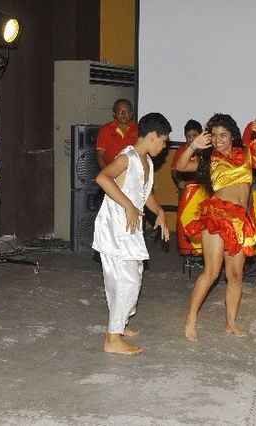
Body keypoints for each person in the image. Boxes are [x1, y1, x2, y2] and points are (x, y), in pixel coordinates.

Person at [175, 113, 256, 341]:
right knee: (212, 271)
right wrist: (193, 146)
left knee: (235, 275)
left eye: (223, 135)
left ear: (232, 136)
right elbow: (181, 166)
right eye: (214, 135)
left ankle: (231, 323)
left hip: (240, 221)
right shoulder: (209, 160)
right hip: (217, 216)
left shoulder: (247, 154)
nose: (218, 139)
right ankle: (190, 319)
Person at [92, 112, 171, 355]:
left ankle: (120, 323)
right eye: (164, 140)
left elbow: (145, 193)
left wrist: (159, 212)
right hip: (116, 226)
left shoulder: (146, 161)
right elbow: (102, 178)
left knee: (128, 275)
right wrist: (128, 205)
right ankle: (112, 338)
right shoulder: (127, 157)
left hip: (130, 227)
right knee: (127, 280)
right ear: (152, 136)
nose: (165, 146)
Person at [95, 98, 138, 169]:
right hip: (112, 173)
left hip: (134, 173)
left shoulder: (139, 129)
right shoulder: (105, 130)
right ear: (114, 114)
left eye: (126, 111)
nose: (123, 114)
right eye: (120, 111)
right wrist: (107, 173)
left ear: (131, 114)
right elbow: (100, 155)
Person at [171, 119, 203, 195]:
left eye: (194, 136)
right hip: (186, 188)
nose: (191, 139)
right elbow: (174, 170)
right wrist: (179, 181)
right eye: (188, 136)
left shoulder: (208, 149)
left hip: (203, 188)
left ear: (201, 134)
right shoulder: (182, 150)